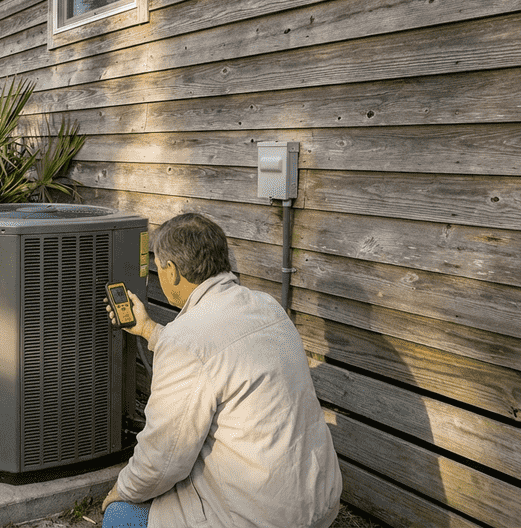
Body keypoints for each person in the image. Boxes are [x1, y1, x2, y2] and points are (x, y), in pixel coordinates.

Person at [102, 213, 342, 528]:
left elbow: (162, 459)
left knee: (119, 517)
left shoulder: (186, 340)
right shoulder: (267, 307)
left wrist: (121, 491)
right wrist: (148, 329)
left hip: (258, 519)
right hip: (316, 505)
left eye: (158, 266)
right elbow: (217, 357)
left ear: (172, 272)